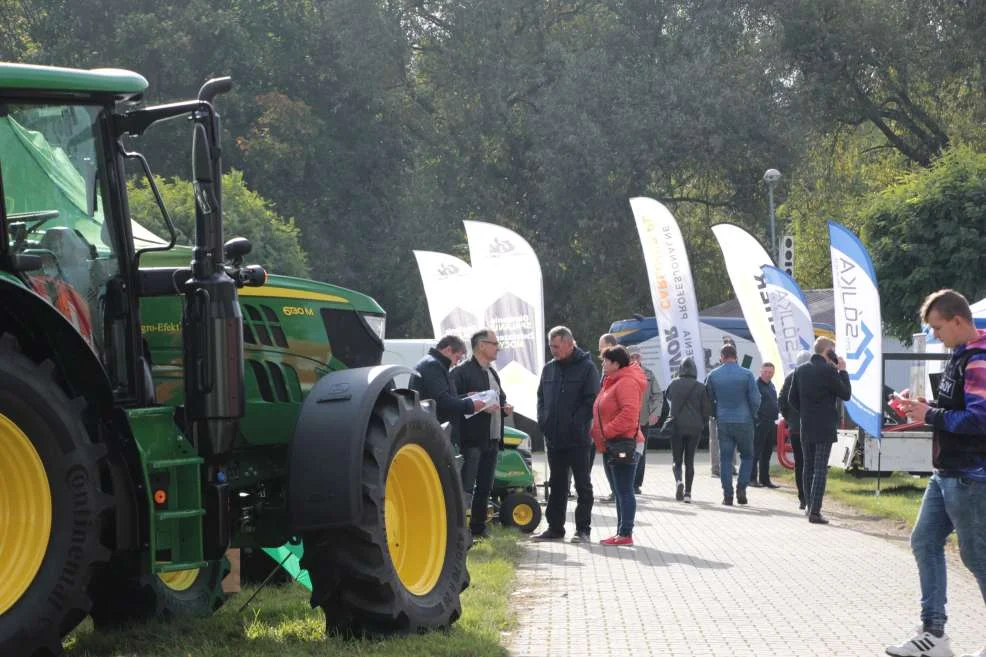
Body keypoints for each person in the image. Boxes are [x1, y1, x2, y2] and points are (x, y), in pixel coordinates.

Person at [886, 289, 986, 657]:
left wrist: (928, 415)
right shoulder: (961, 355)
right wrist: (923, 407)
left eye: (938, 328)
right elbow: (955, 408)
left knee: (977, 557)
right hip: (947, 471)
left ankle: (935, 633)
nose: (935, 336)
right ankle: (934, 634)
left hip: (970, 475)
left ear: (959, 320)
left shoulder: (979, 359)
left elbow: (980, 419)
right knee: (924, 542)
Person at [535, 326, 600, 542]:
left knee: (583, 485)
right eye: (550, 346)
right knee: (557, 485)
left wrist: (575, 423)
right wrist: (543, 420)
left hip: (578, 439)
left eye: (556, 346)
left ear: (569, 343)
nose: (552, 350)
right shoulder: (549, 369)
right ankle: (555, 528)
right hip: (554, 438)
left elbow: (591, 400)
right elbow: (541, 397)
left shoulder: (587, 368)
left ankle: (583, 530)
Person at [452, 329, 513, 540]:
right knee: (466, 486)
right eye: (495, 344)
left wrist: (505, 407)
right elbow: (452, 402)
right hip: (471, 439)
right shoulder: (461, 372)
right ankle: (459, 530)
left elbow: (499, 398)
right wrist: (473, 403)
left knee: (485, 487)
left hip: (492, 438)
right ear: (481, 345)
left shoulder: (492, 371)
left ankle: (478, 527)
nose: (498, 348)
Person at [787, 336, 851, 525]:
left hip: (806, 423)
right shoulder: (829, 371)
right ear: (828, 351)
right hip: (824, 425)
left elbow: (792, 399)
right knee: (820, 467)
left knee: (808, 466)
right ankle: (815, 511)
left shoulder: (800, 370)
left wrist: (806, 412)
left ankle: (808, 506)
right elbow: (846, 393)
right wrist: (843, 371)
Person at [591, 345, 647, 545]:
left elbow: (629, 414)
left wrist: (606, 431)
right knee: (619, 489)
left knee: (624, 489)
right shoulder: (612, 381)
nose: (603, 363)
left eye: (606, 360)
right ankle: (620, 532)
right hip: (611, 443)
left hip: (623, 443)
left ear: (616, 363)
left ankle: (625, 533)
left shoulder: (625, 382)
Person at [705, 343, 760, 506]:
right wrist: (752, 414)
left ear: (722, 357)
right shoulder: (747, 374)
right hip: (744, 421)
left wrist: (715, 414)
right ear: (736, 356)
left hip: (723, 421)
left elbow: (708, 399)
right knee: (748, 456)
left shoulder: (713, 375)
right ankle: (741, 488)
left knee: (725, 458)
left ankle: (727, 496)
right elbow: (756, 399)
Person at [664, 356, 711, 502]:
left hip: (677, 426)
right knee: (689, 461)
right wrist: (702, 424)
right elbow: (706, 410)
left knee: (676, 460)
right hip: (694, 428)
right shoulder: (701, 387)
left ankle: (679, 482)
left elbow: (669, 398)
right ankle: (688, 494)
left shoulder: (674, 384)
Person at [410, 335, 483, 428]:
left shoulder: (433, 363)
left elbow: (442, 397)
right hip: (434, 429)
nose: (457, 363)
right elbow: (442, 401)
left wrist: (467, 396)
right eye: (457, 358)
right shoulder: (433, 365)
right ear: (448, 350)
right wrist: (470, 405)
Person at [778, 350, 812, 510]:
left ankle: (802, 498)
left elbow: (782, 400)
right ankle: (811, 495)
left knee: (799, 462)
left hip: (796, 429)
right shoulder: (816, 375)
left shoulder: (790, 376)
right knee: (811, 462)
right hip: (812, 428)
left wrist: (790, 418)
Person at [629, 347, 662, 495]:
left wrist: (655, 413)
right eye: (632, 357)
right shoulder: (622, 373)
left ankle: (636, 484)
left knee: (640, 453)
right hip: (626, 422)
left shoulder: (649, 374)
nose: (635, 360)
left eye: (637, 357)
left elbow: (658, 395)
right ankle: (626, 481)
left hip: (642, 421)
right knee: (626, 451)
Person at [593, 333, 620, 502]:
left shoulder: (617, 371)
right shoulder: (606, 370)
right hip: (605, 425)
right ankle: (614, 491)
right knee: (607, 460)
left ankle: (617, 492)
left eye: (601, 345)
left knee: (613, 462)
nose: (599, 350)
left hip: (612, 427)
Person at [750, 362, 780, 488]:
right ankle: (752, 479)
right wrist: (757, 420)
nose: (768, 374)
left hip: (771, 423)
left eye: (770, 372)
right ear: (761, 371)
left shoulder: (771, 385)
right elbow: (753, 403)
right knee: (755, 452)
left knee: (767, 453)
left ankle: (765, 479)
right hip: (760, 423)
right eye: (766, 372)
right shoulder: (756, 385)